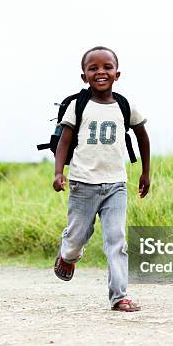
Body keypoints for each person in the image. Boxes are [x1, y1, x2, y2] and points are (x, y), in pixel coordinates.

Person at [52, 46, 151, 312]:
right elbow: (65, 140)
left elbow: (142, 136)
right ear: (84, 76)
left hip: (116, 186)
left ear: (117, 74)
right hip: (82, 184)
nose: (100, 72)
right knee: (76, 238)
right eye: (93, 68)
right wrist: (59, 172)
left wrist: (145, 172)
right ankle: (68, 255)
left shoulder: (124, 106)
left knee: (116, 240)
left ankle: (119, 296)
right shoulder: (78, 106)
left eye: (107, 67)